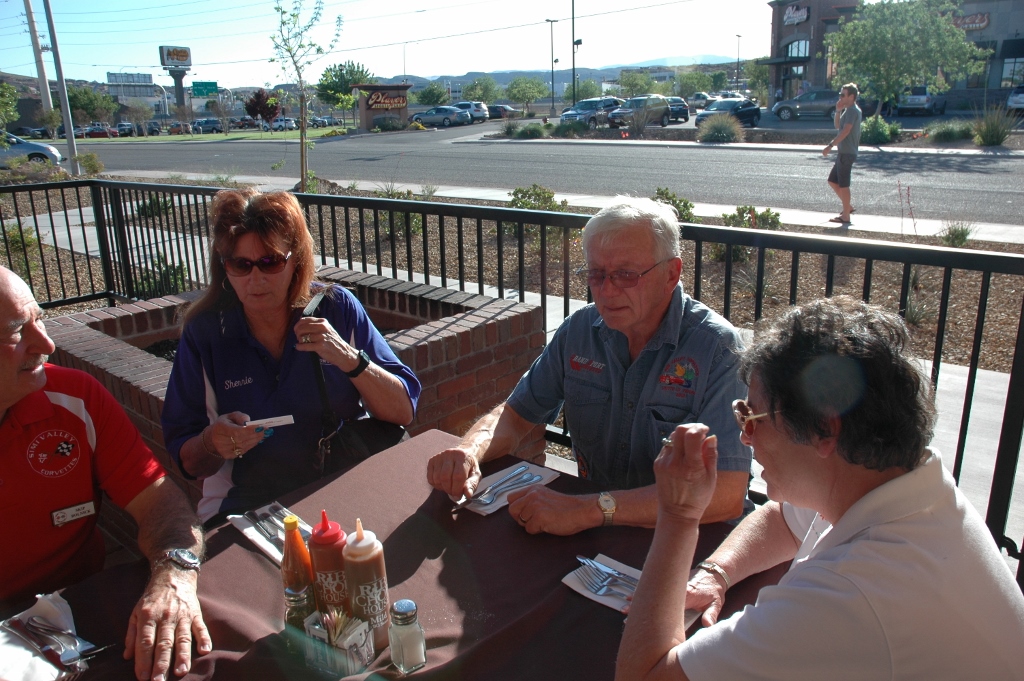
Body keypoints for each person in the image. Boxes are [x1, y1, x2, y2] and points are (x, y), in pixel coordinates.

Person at [616, 297, 1024, 681]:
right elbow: (785, 520)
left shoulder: (852, 596)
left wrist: (678, 517)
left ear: (825, 430)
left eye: (753, 415)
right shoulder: (895, 475)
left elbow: (644, 675)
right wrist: (716, 574)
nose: (745, 437)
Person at [427, 197, 751, 535]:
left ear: (672, 273)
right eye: (596, 274)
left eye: (626, 275)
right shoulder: (580, 331)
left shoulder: (718, 350)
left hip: (688, 542)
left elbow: (726, 494)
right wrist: (468, 450)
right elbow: (517, 415)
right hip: (595, 532)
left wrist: (593, 509)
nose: (607, 291)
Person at [0, 266, 210, 681]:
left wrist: (175, 574)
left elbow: (160, 503)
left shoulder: (76, 398)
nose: (46, 343)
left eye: (39, 319)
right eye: (16, 331)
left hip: (79, 615)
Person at [162, 189, 421, 523]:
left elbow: (403, 411)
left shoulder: (335, 308)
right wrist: (212, 443)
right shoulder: (207, 333)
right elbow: (188, 461)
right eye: (240, 264)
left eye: (270, 262)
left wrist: (349, 358)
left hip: (339, 477)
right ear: (224, 267)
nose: (255, 280)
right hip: (250, 498)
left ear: (296, 259)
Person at [822, 83, 862, 224]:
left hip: (847, 153)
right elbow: (838, 126)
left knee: (843, 184)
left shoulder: (852, 111)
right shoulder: (848, 110)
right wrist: (838, 111)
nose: (841, 97)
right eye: (840, 94)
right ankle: (848, 207)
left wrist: (830, 145)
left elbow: (845, 131)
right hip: (844, 152)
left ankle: (846, 216)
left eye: (843, 95)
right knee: (832, 181)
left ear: (851, 96)